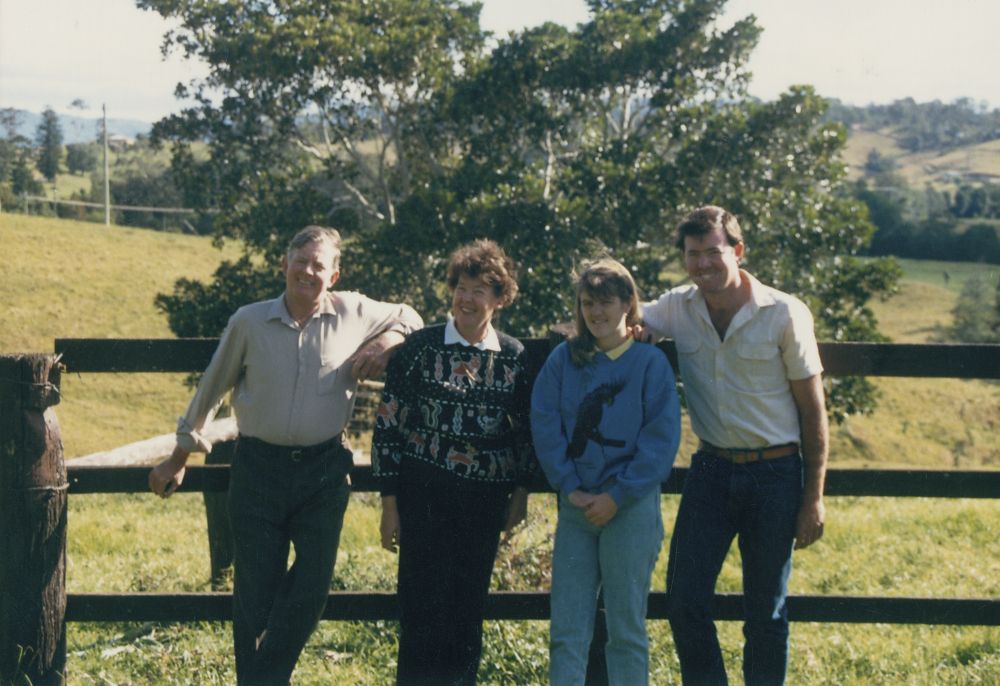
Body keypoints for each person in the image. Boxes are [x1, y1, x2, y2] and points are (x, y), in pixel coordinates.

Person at [148, 225, 423, 686]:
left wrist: (385, 342)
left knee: (313, 587)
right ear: (284, 264)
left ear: (334, 274)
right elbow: (211, 388)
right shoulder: (249, 322)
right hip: (258, 471)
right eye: (301, 261)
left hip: (323, 473)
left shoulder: (354, 311)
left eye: (320, 264)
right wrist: (179, 456)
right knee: (254, 595)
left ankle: (261, 681)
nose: (308, 272)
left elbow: (410, 315)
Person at [641, 206, 829, 685]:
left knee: (765, 611)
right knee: (683, 600)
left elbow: (813, 412)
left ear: (738, 251)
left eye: (713, 252)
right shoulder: (677, 307)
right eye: (692, 254)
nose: (702, 264)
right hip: (711, 469)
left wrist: (813, 499)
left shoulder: (784, 312)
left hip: (776, 473)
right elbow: (617, 313)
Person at [372, 239, 537, 686]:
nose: (466, 299)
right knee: (420, 612)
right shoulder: (420, 350)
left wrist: (520, 493)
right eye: (461, 288)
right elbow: (389, 425)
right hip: (424, 497)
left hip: (484, 502)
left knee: (466, 614)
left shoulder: (514, 356)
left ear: (499, 299)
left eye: (479, 290)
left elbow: (525, 433)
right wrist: (390, 505)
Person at [530, 258, 681, 686]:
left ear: (629, 304)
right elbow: (545, 424)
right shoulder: (563, 359)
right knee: (568, 630)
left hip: (629, 510)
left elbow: (660, 440)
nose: (596, 313)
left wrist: (619, 495)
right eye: (587, 303)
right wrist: (569, 486)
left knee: (626, 629)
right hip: (577, 509)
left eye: (606, 302)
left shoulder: (650, 365)